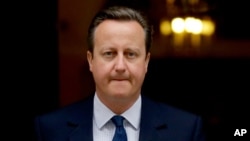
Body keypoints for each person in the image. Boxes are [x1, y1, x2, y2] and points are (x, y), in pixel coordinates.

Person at [34, 5, 206, 141]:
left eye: (131, 54)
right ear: (90, 60)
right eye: (109, 53)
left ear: (146, 62)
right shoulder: (49, 130)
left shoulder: (185, 130)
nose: (120, 66)